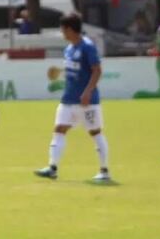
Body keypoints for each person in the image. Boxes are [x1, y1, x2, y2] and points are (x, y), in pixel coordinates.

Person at [34, 12, 111, 181]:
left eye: (63, 29)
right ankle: (52, 167)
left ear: (70, 29)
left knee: (95, 132)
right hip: (68, 99)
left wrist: (88, 92)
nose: (62, 33)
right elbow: (74, 72)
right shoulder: (69, 48)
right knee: (59, 129)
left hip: (86, 102)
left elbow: (97, 70)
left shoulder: (87, 47)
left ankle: (105, 171)